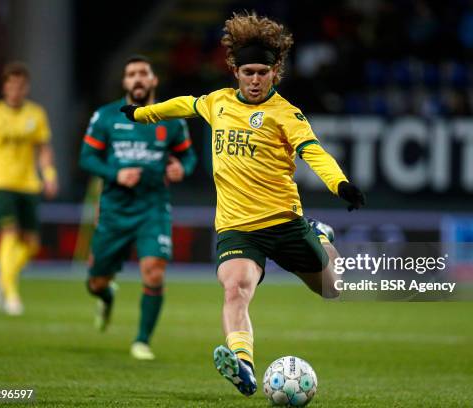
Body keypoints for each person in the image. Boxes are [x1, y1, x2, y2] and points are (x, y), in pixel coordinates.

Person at [121, 12, 364, 394]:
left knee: (333, 288)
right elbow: (184, 104)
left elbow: (313, 151)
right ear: (235, 70)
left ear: (274, 72)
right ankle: (245, 367)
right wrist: (142, 113)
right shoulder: (217, 103)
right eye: (248, 71)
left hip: (283, 223)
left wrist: (340, 184)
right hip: (237, 227)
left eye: (261, 73)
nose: (254, 79)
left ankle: (323, 237)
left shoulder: (285, 114)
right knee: (235, 289)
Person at [79, 55, 196, 361]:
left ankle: (142, 341)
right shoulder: (106, 116)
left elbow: (189, 157)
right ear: (125, 82)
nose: (138, 79)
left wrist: (182, 169)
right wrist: (115, 174)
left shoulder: (170, 119)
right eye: (131, 74)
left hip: (152, 208)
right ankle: (106, 294)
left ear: (153, 80)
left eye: (144, 73)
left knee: (154, 273)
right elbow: (87, 158)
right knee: (95, 282)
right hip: (114, 209)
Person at [0, 61, 58, 316]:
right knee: (9, 233)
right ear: (5, 87)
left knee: (31, 244)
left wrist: (50, 175)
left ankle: (3, 275)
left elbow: (44, 149)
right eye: (12, 85)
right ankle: (11, 293)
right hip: (1, 182)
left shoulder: (36, 114)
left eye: (20, 86)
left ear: (26, 88)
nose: (16, 90)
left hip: (29, 183)